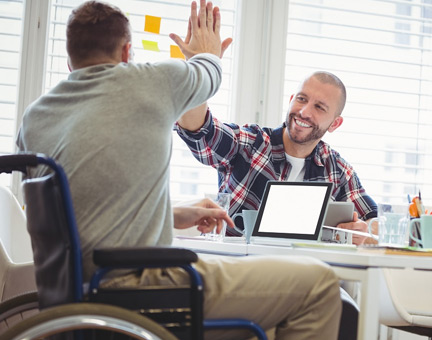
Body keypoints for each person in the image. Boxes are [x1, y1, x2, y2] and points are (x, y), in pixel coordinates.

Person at [16, 1, 342, 339]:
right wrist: (206, 53)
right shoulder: (150, 82)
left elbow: (75, 214)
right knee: (319, 284)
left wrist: (171, 214)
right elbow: (209, 74)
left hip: (73, 295)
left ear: (69, 59)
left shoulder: (35, 117)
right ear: (127, 52)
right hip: (143, 286)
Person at [176, 71, 378, 244]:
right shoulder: (251, 143)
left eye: (319, 107)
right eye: (302, 99)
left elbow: (376, 222)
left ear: (335, 124)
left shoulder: (337, 169)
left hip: (299, 276)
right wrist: (200, 71)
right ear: (291, 100)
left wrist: (364, 232)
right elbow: (199, 131)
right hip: (236, 269)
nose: (304, 111)